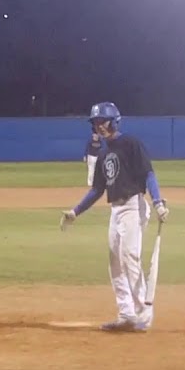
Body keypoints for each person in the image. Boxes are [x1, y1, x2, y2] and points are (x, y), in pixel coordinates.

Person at [61, 102, 169, 332]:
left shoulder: (131, 143)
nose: (99, 126)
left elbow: (148, 173)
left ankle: (143, 315)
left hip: (134, 205)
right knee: (115, 264)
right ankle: (126, 314)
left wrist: (158, 201)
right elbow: (97, 190)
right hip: (116, 211)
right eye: (95, 122)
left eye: (102, 121)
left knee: (130, 258)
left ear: (114, 121)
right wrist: (75, 211)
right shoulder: (103, 154)